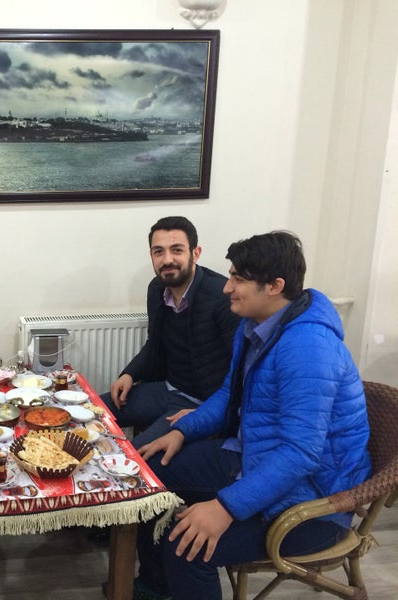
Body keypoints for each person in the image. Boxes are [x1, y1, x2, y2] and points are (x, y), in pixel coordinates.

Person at [133, 231, 371, 600]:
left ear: (275, 286)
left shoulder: (307, 347)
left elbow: (300, 454)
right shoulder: (257, 325)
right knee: (147, 478)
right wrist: (183, 431)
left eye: (238, 279)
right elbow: (230, 394)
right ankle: (153, 589)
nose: (227, 287)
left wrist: (225, 507)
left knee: (185, 547)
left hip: (314, 503)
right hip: (254, 458)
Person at [103, 216, 240, 448]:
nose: (167, 260)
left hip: (201, 404)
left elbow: (242, 372)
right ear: (151, 256)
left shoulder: (222, 297)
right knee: (90, 412)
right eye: (159, 252)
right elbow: (154, 343)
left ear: (195, 253)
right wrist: (129, 374)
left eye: (177, 250)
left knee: (135, 456)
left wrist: (207, 414)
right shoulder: (157, 288)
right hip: (166, 389)